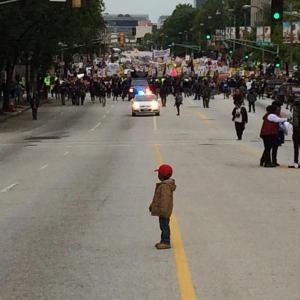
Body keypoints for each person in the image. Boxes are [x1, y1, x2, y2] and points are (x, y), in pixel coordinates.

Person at [149, 164, 176, 250]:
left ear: (161, 176)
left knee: (164, 226)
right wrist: (152, 206)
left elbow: (165, 199)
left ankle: (166, 242)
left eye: (158, 174)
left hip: (164, 211)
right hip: (163, 210)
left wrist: (163, 211)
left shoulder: (164, 186)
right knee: (163, 225)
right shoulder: (164, 185)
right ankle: (163, 240)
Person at [289, 97, 300, 168]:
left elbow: (295, 123)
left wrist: (291, 122)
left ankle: (296, 163)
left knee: (296, 147)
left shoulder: (296, 111)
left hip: (297, 131)